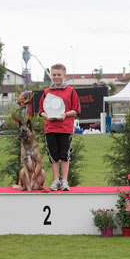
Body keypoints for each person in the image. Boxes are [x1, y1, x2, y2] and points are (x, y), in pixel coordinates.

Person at [39, 63, 81, 191]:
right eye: (54, 74)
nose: (56, 77)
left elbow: (76, 109)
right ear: (51, 75)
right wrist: (47, 116)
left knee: (65, 155)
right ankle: (56, 180)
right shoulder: (47, 92)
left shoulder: (71, 91)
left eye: (59, 75)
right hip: (50, 128)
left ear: (64, 76)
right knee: (53, 155)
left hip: (65, 128)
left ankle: (64, 181)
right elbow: (41, 110)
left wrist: (65, 115)